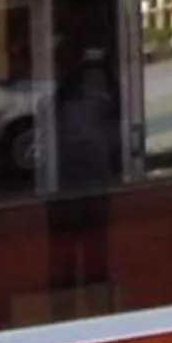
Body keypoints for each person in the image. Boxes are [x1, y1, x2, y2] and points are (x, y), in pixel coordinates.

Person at [45, 46, 118, 301]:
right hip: (89, 182)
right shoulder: (100, 97)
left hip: (70, 184)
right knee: (93, 249)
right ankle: (94, 302)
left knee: (69, 252)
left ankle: (66, 303)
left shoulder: (61, 98)